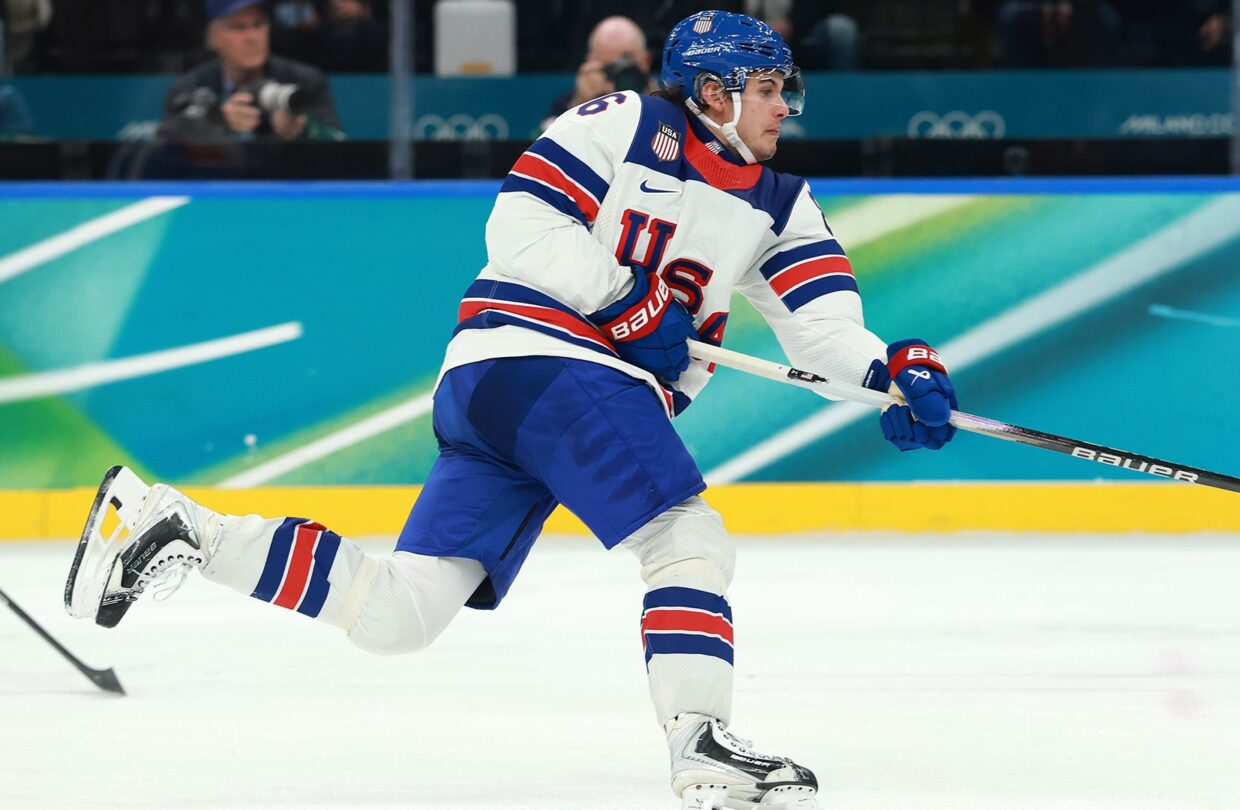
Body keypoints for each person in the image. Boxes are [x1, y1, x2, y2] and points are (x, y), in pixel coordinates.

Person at [66, 9, 957, 808]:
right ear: (713, 91)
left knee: (402, 618)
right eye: (767, 89)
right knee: (683, 536)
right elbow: (521, 227)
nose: (784, 106)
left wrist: (894, 373)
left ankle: (179, 528)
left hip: (504, 396)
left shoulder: (782, 204)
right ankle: (703, 743)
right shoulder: (624, 121)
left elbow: (826, 334)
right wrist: (631, 305)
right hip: (547, 362)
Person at [161, 0, 343, 142]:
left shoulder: (304, 80)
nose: (252, 37)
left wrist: (304, 130)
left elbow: (338, 143)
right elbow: (166, 146)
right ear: (212, 36)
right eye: (238, 27)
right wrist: (219, 122)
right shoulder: (190, 87)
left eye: (258, 24)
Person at [543, 15, 658, 128]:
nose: (620, 76)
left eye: (628, 68)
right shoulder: (565, 105)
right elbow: (542, 141)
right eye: (610, 68)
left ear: (647, 61)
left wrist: (655, 105)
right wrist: (580, 107)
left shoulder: (668, 102)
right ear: (590, 64)